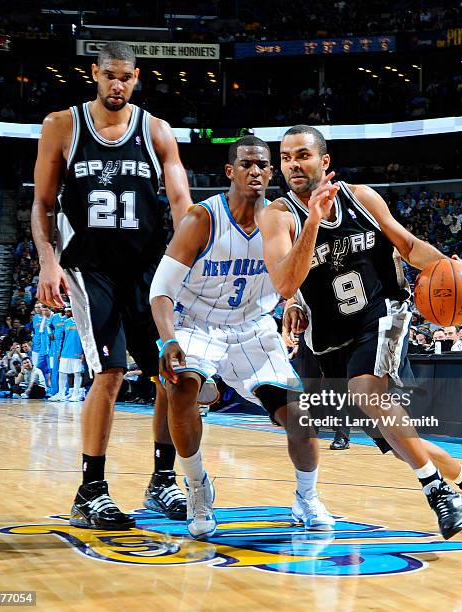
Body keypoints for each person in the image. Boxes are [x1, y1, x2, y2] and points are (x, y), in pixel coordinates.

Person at [259, 125, 462, 539]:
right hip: (331, 336)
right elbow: (284, 283)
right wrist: (312, 225)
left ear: (324, 161)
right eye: (285, 158)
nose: (293, 165)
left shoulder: (361, 198)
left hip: (385, 313)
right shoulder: (279, 216)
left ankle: (436, 490)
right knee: (396, 436)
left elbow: (408, 246)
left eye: (302, 155)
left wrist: (452, 268)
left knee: (367, 392)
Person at [31, 41, 192, 530]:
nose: (117, 84)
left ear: (136, 76)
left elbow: (182, 202)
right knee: (110, 372)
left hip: (146, 268)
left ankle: (163, 480)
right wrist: (47, 262)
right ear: (95, 74)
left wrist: (186, 266)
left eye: (125, 76)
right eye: (109, 76)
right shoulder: (62, 125)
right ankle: (90, 490)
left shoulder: (158, 131)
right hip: (88, 266)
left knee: (170, 371)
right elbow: (43, 204)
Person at [149, 136, 334, 539]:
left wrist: (294, 301)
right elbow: (160, 291)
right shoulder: (202, 219)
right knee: (182, 389)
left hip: (253, 326)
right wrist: (168, 340)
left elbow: (291, 272)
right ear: (230, 171)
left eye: (263, 165)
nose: (256, 171)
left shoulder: (282, 216)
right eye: (246, 164)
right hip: (196, 322)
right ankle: (198, 488)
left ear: (271, 172)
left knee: (299, 416)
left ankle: (307, 497)